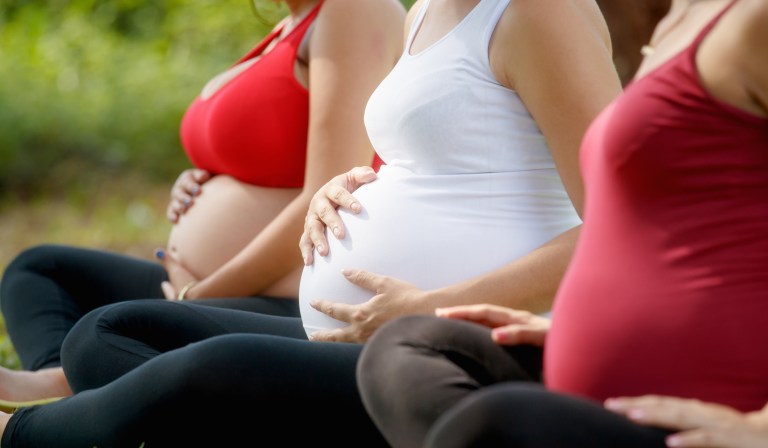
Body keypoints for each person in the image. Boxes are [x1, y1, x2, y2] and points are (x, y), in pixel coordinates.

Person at [0, 0, 622, 446]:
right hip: (353, 329)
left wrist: (432, 306)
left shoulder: (542, 11)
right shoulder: (427, 11)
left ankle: (21, 435)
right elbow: (439, 163)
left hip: (440, 350)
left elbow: (624, 229)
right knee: (105, 335)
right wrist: (342, 187)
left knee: (212, 371)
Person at [356, 0, 768, 446]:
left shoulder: (755, 20)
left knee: (494, 424)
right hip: (605, 379)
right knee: (410, 349)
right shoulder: (684, 19)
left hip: (705, 401)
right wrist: (574, 330)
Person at [0, 0, 404, 405]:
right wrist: (205, 177)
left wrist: (199, 295)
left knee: (101, 335)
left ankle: (73, 388)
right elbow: (272, 151)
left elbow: (331, 190)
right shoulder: (290, 25)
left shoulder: (352, 9)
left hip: (284, 296)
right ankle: (63, 379)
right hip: (201, 281)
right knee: (39, 271)